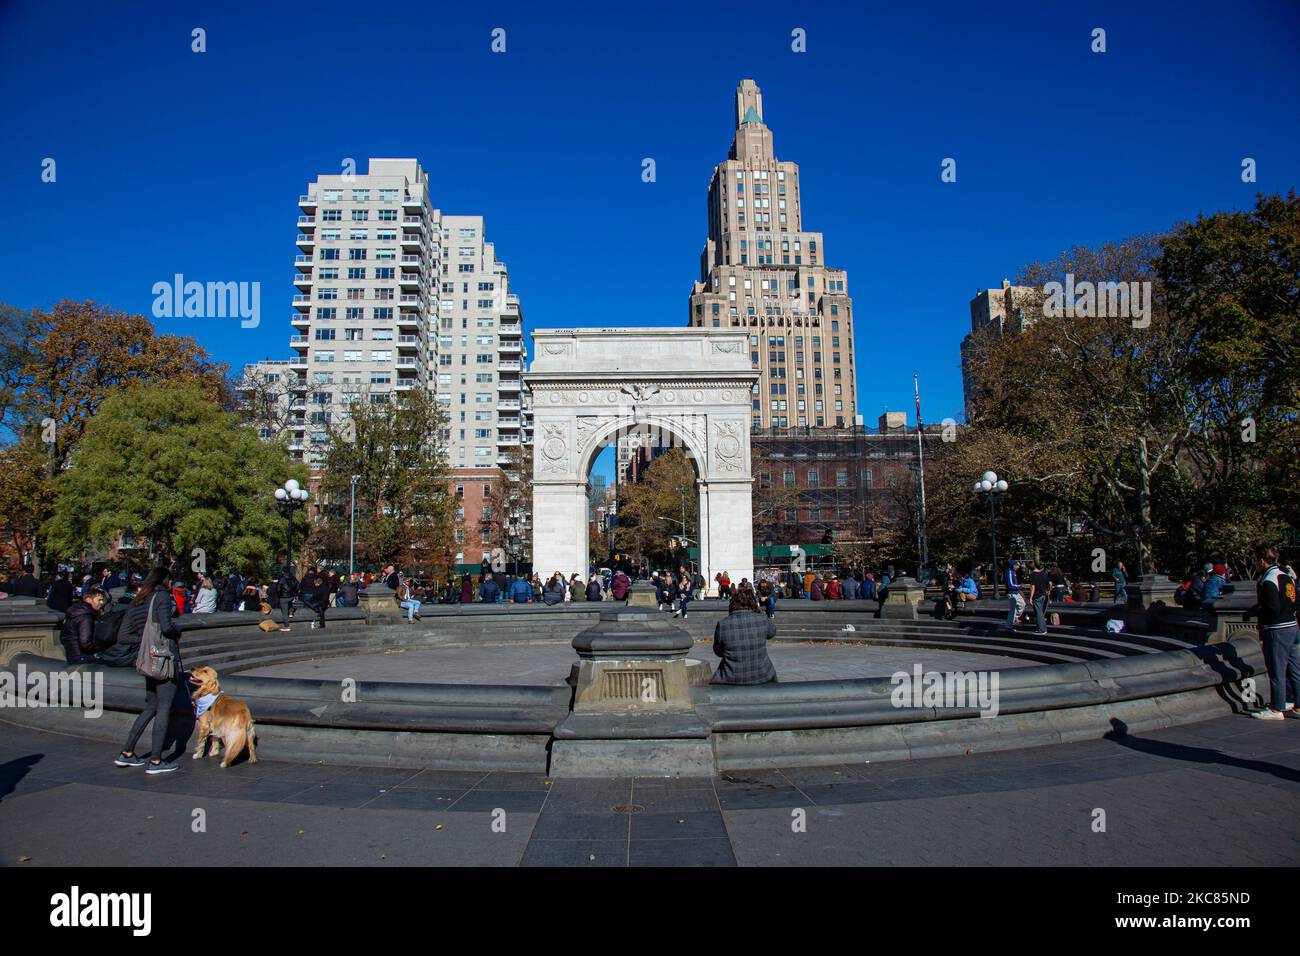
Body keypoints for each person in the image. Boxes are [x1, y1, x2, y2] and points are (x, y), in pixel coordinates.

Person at [114, 568, 186, 774]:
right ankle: (155, 760)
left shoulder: (137, 600)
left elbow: (123, 636)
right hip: (162, 658)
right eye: (170, 580)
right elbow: (166, 626)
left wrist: (144, 642)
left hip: (145, 659)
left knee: (150, 706)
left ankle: (127, 752)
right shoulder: (161, 596)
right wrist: (177, 631)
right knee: (164, 707)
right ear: (165, 580)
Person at [1247, 544, 1300, 720]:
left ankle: (1276, 707)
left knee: (1276, 668)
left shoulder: (1268, 579)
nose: (1255, 564)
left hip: (1276, 629)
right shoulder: (1286, 575)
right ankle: (1298, 705)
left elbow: (1272, 607)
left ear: (1262, 561)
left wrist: (1257, 611)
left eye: (1255, 560)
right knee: (1294, 668)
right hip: (1291, 626)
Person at [710, 584, 778, 685]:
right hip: (763, 675)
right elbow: (772, 633)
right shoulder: (762, 619)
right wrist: (759, 612)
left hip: (731, 677)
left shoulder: (723, 624)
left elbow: (718, 652)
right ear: (753, 603)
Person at [60, 586, 108, 663]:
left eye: (102, 600)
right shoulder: (86, 616)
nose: (101, 603)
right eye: (99, 600)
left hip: (73, 654)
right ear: (88, 600)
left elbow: (63, 636)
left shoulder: (75, 612)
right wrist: (101, 649)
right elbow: (85, 643)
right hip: (83, 656)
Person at [1027, 560, 1051, 635]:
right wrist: (1048, 590)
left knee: (1038, 612)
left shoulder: (1032, 575)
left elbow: (1032, 587)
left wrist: (1030, 597)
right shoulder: (1044, 573)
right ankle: (1042, 628)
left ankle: (1042, 629)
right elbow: (1050, 583)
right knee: (1040, 612)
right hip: (1043, 595)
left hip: (1037, 595)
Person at [276, 566, 298, 631]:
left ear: (283, 571)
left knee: (284, 613)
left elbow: (278, 588)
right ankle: (291, 612)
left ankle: (287, 626)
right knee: (291, 604)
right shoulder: (293, 577)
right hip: (292, 595)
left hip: (284, 596)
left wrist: (279, 595)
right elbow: (297, 584)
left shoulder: (282, 578)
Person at [1005, 559, 1025, 627]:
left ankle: (1014, 618)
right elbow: (1010, 585)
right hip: (1012, 593)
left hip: (1015, 592)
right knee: (1013, 609)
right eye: (1017, 565)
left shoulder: (1013, 572)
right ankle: (1009, 624)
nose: (1018, 567)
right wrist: (1019, 586)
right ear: (1013, 565)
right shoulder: (1010, 572)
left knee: (1022, 604)